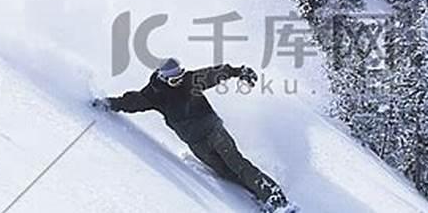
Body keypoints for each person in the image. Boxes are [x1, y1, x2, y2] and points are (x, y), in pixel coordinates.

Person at [93, 58, 289, 210]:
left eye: (180, 76)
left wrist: (239, 71)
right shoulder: (154, 95)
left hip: (215, 132)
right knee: (226, 173)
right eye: (174, 79)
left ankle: (276, 199)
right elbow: (131, 102)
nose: (178, 82)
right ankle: (258, 195)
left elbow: (215, 73)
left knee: (238, 164)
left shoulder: (190, 80)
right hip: (196, 144)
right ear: (163, 78)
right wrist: (110, 103)